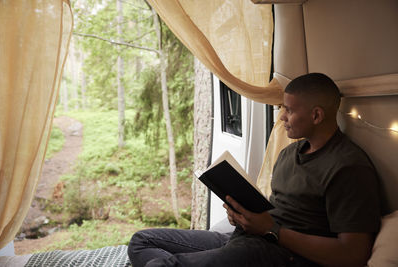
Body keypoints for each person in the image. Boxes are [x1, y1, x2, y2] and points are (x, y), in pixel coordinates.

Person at [128, 73, 381, 267]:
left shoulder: (348, 167)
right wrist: (242, 215)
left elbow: (353, 255)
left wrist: (272, 230)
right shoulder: (289, 154)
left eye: (289, 110)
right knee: (142, 241)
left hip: (283, 254)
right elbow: (276, 211)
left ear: (316, 116)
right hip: (249, 238)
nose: (282, 117)